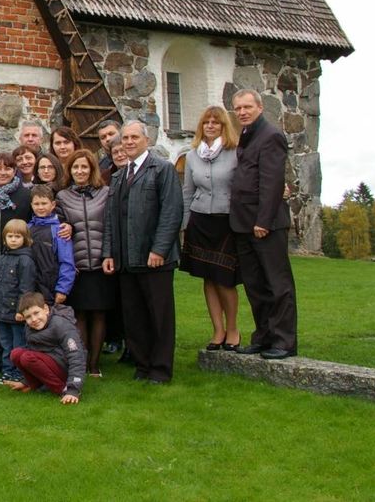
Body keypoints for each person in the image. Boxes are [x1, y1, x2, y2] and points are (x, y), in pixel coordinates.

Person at [102, 121, 183, 384]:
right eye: (125, 138)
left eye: (134, 137)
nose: (129, 142)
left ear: (146, 140)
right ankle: (142, 365)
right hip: (126, 259)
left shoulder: (161, 169)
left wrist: (159, 248)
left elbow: (172, 212)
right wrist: (109, 253)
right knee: (134, 317)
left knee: (158, 316)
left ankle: (160, 369)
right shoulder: (118, 176)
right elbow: (111, 220)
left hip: (154, 258)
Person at [230, 90, 297, 360]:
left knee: (277, 284)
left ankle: (284, 341)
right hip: (243, 224)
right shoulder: (247, 135)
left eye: (247, 107)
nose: (243, 112)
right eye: (238, 108)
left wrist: (263, 221)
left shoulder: (271, 136)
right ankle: (264, 336)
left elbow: (272, 182)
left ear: (259, 107)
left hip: (264, 224)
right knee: (255, 285)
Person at [181, 106, 242, 352]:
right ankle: (217, 329)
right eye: (206, 122)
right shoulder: (193, 155)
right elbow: (187, 192)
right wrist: (185, 224)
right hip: (200, 220)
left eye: (216, 122)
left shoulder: (235, 152)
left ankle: (233, 328)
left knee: (225, 278)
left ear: (223, 126)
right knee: (208, 277)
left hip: (226, 221)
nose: (210, 126)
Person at [57, 150, 116, 377]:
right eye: (75, 167)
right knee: (80, 314)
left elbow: (110, 226)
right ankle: (80, 362)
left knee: (99, 314)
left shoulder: (105, 193)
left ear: (92, 170)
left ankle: (95, 364)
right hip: (78, 265)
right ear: (69, 171)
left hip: (101, 263)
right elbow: (61, 229)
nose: (80, 171)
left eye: (84, 167)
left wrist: (108, 255)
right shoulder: (62, 196)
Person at [3, 292, 86, 405]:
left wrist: (73, 389)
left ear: (46, 309)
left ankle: (63, 389)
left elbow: (77, 357)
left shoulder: (61, 325)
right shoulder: (29, 328)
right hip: (48, 363)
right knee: (16, 354)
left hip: (65, 368)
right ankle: (34, 385)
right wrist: (26, 381)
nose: (34, 319)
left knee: (27, 357)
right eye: (28, 317)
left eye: (36, 313)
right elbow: (34, 353)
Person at [0, 218, 37, 383]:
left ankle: (19, 372)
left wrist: (21, 310)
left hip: (16, 313)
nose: (13, 240)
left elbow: (26, 288)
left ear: (25, 239)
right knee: (5, 344)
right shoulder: (1, 259)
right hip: (0, 311)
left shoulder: (26, 260)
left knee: (19, 344)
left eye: (18, 237)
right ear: (4, 238)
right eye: (10, 236)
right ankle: (7, 371)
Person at [28, 184, 76, 306]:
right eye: (37, 204)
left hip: (51, 288)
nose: (40, 207)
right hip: (30, 287)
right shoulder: (27, 228)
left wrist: (62, 289)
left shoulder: (60, 230)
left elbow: (67, 262)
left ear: (53, 205)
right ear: (31, 205)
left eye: (44, 203)